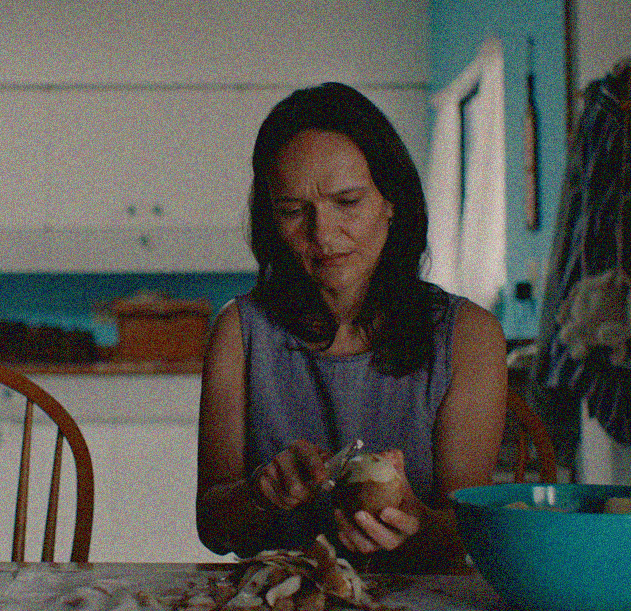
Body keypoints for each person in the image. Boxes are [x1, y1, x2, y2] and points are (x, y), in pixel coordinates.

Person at [196, 83, 506, 572]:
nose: (322, 234)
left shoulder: (470, 336)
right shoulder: (238, 333)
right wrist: (260, 494)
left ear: (391, 200)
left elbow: (468, 536)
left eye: (347, 201)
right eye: (292, 211)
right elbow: (213, 529)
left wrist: (417, 525)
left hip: (419, 609)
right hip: (274, 605)